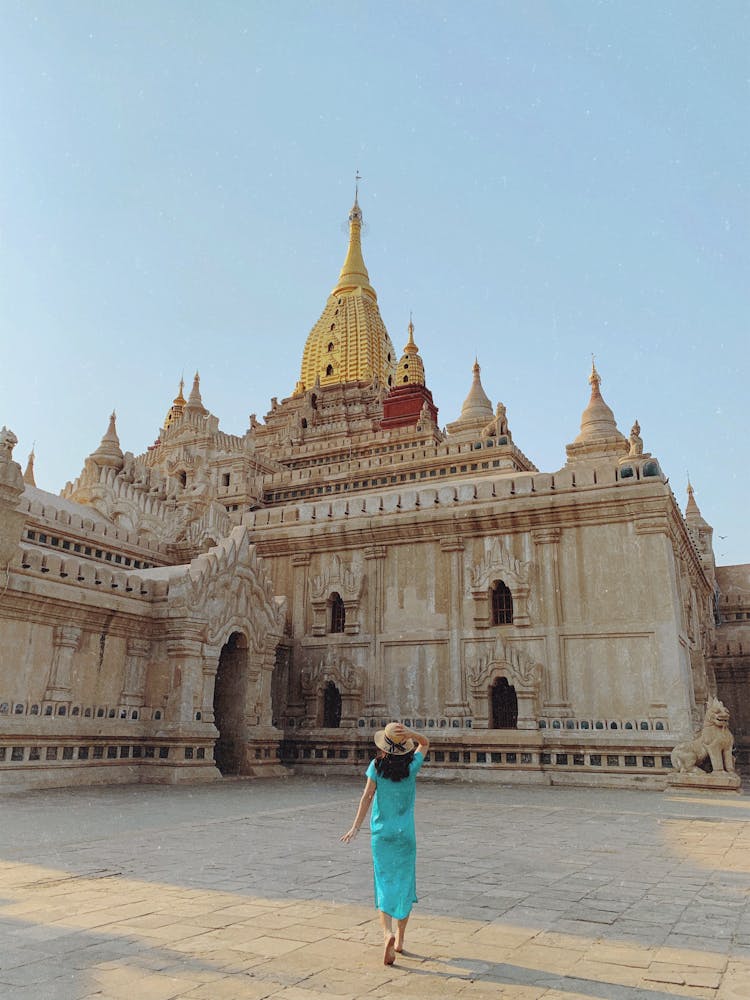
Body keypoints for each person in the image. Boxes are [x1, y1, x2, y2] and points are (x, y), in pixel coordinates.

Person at [341, 721, 430, 965]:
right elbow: (425, 742)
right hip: (405, 835)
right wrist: (411, 734)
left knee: (384, 884)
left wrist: (355, 827)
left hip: (381, 834)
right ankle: (400, 940)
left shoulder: (376, 767)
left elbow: (366, 797)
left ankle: (386, 933)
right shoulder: (412, 767)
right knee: (404, 884)